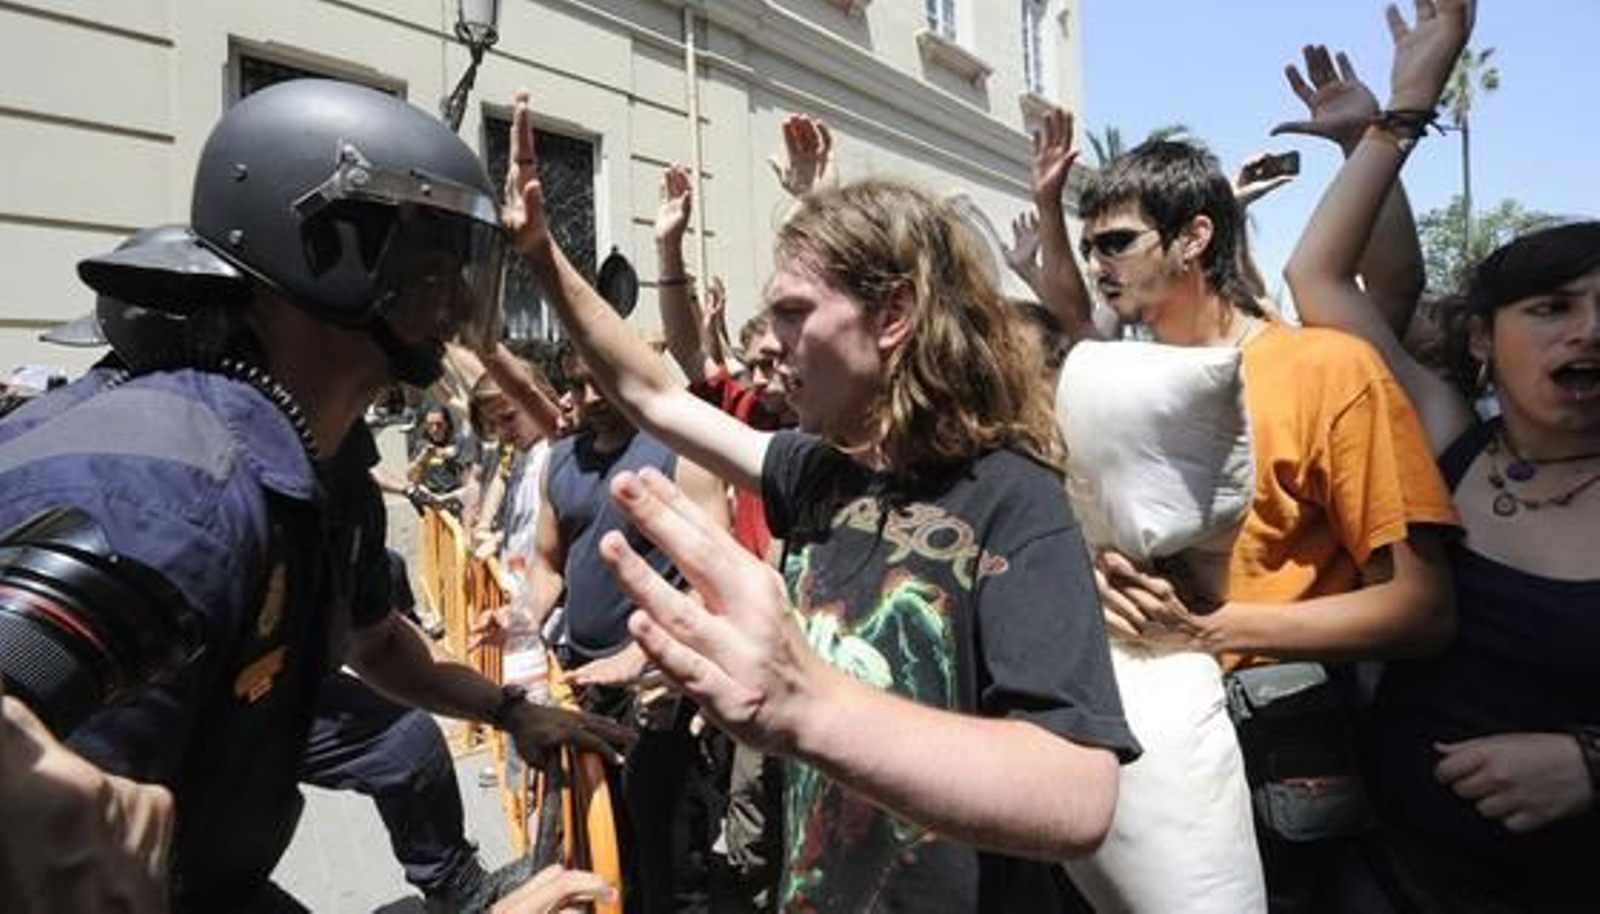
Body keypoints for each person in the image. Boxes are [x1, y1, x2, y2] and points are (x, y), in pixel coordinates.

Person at [0, 81, 628, 911]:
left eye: (461, 274)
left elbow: (378, 644)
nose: (452, 306)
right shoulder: (170, 492)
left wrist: (511, 712)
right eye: (428, 272)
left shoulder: (322, 463)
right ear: (322, 253)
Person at [504, 89, 1137, 912]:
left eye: (796, 314)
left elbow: (1078, 794)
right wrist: (543, 256)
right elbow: (652, 397)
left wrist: (808, 707)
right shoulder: (818, 472)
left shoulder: (1013, 498)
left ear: (895, 317)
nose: (770, 343)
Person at [1282, 2, 1598, 908]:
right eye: (1552, 308)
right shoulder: (1452, 439)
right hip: (1391, 878)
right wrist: (1399, 112)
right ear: (1482, 342)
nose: (1590, 331)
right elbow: (1317, 280)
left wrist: (1587, 760)